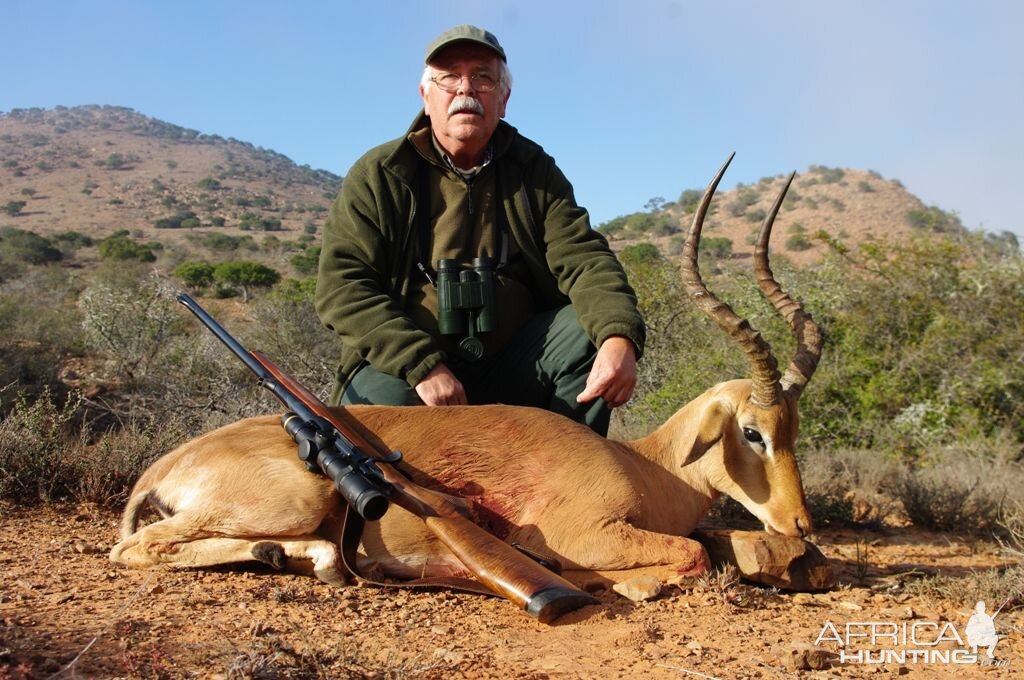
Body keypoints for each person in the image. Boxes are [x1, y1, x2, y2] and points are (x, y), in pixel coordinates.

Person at [315, 25, 645, 436]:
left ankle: (562, 488)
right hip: (409, 370)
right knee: (389, 415)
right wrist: (421, 364)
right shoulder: (381, 174)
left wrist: (619, 337)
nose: (465, 89)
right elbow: (342, 287)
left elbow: (584, 257)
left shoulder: (534, 170)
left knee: (590, 336)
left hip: (513, 361)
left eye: (483, 77)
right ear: (426, 96)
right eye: (449, 76)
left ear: (503, 99)